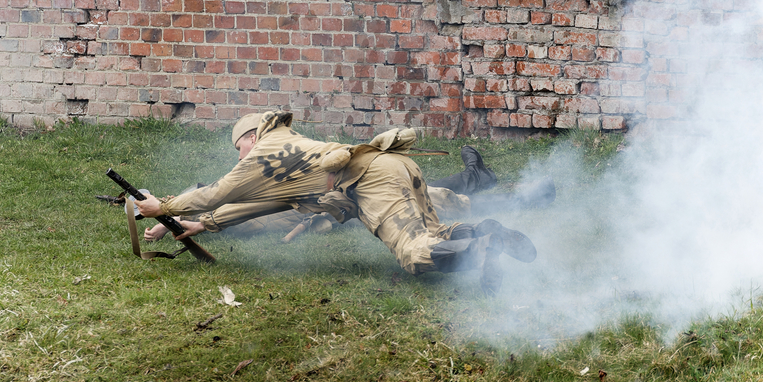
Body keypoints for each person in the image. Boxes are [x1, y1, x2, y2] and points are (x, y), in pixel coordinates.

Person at [133, 111, 537, 294]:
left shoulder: (262, 155)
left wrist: (163, 206)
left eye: (239, 148)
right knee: (434, 230)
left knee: (414, 252)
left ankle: (482, 247)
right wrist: (204, 224)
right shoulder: (288, 149)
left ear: (251, 138)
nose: (239, 157)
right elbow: (267, 205)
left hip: (371, 180)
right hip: (393, 165)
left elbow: (218, 192)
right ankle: (484, 231)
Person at [143, 144, 500, 242]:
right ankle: (480, 181)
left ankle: (475, 178)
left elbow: (209, 196)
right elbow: (221, 207)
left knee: (412, 189)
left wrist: (169, 216)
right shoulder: (230, 210)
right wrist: (172, 219)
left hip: (330, 197)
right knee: (416, 196)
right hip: (328, 207)